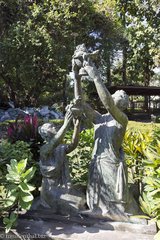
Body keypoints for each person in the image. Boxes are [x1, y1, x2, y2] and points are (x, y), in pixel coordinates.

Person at [72, 45, 130, 220]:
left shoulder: (122, 120)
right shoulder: (100, 119)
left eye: (123, 95)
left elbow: (108, 105)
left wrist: (95, 75)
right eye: (118, 93)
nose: (119, 94)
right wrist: (76, 79)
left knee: (112, 208)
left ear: (125, 104)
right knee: (96, 205)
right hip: (97, 163)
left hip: (110, 165)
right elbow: (81, 103)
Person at [38, 102, 85, 214]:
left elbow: (73, 145)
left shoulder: (60, 147)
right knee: (75, 204)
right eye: (51, 127)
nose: (55, 127)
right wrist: (66, 123)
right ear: (46, 135)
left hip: (62, 186)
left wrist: (76, 127)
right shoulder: (44, 150)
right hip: (50, 189)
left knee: (81, 199)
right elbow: (54, 142)